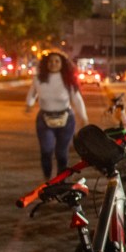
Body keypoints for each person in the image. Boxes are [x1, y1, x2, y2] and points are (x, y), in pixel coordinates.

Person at [25, 51, 89, 180]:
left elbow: (77, 99)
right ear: (46, 63)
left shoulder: (68, 80)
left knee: (61, 153)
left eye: (57, 61)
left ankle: (60, 181)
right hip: (44, 120)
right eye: (50, 61)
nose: (53, 63)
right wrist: (29, 104)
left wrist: (84, 118)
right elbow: (32, 93)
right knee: (46, 151)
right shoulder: (39, 79)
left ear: (62, 64)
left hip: (66, 120)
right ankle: (47, 180)